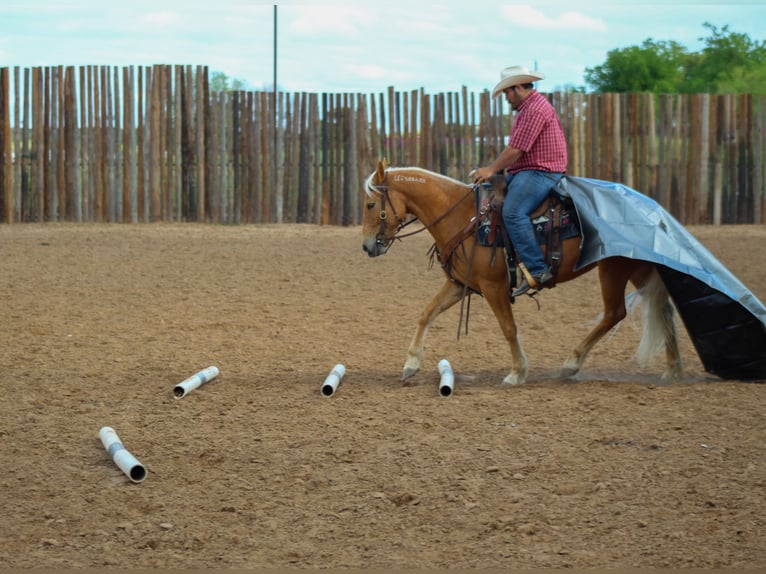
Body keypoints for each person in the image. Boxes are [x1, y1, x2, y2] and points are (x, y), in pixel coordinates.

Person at [472, 65, 568, 297]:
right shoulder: (527, 109)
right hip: (526, 170)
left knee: (513, 212)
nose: (506, 98)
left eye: (507, 93)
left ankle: (537, 270)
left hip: (541, 172)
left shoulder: (534, 109)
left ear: (517, 88)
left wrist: (491, 169)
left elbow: (516, 149)